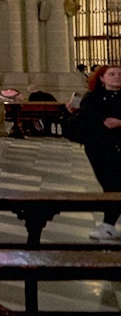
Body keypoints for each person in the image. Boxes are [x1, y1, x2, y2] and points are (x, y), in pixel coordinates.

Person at [66, 65, 121, 239]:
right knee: (110, 184)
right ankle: (108, 225)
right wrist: (73, 112)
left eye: (120, 74)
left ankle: (108, 225)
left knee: (115, 185)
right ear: (102, 78)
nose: (117, 77)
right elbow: (85, 123)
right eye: (112, 74)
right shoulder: (92, 98)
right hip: (100, 148)